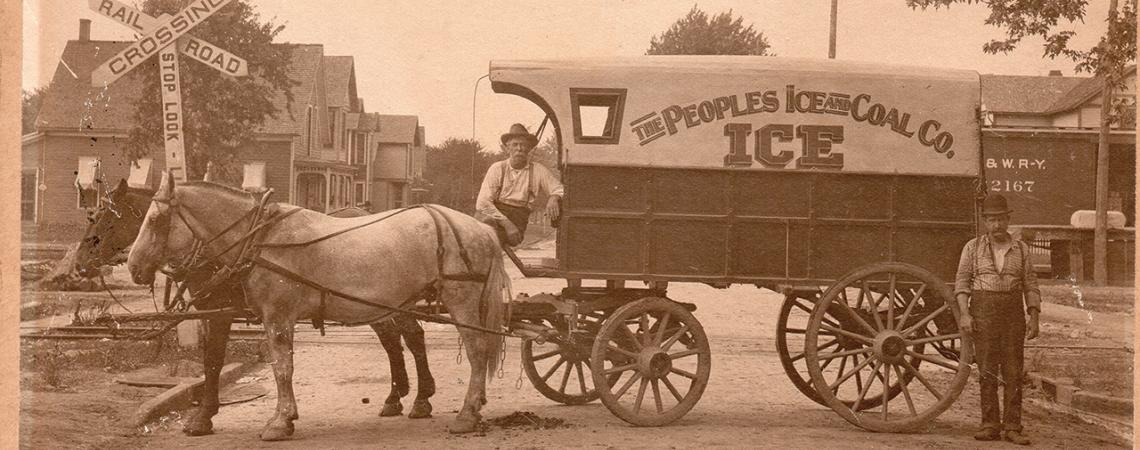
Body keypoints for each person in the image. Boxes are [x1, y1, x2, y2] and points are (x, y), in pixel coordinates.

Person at [954, 193, 1041, 446]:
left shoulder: (1021, 249)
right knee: (987, 370)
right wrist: (965, 314)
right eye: (992, 220)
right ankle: (989, 425)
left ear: (1007, 220)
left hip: (1012, 312)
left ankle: (1013, 427)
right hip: (983, 310)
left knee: (1013, 371)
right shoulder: (972, 247)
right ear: (985, 222)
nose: (997, 225)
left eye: (1001, 219)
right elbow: (962, 283)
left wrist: (1033, 316)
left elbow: (1031, 284)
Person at [475, 123, 564, 247]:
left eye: (523, 145)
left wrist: (554, 198)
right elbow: (483, 203)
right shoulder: (497, 168)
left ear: (529, 149)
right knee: (481, 230)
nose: (519, 149)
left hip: (518, 220)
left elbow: (559, 188)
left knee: (486, 237)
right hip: (493, 214)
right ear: (507, 148)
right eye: (515, 144)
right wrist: (506, 224)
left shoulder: (538, 170)